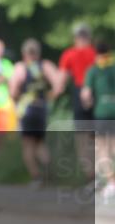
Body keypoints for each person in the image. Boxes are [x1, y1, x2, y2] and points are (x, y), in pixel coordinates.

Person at [9, 38, 64, 187]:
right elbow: (59, 85)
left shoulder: (21, 68)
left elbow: (13, 91)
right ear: (38, 52)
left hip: (26, 109)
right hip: (41, 108)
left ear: (24, 53)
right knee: (40, 142)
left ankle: (36, 177)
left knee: (28, 144)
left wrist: (18, 99)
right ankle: (49, 172)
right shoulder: (45, 65)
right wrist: (50, 96)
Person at [60, 24, 97, 185]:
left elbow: (62, 80)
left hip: (78, 93)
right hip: (97, 95)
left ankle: (90, 176)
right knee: (97, 137)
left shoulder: (69, 54)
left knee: (82, 138)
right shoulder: (96, 53)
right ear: (89, 38)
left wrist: (55, 92)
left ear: (75, 38)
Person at [81, 41, 115, 203]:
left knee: (102, 150)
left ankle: (111, 183)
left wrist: (88, 104)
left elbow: (86, 95)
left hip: (101, 112)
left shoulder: (93, 70)